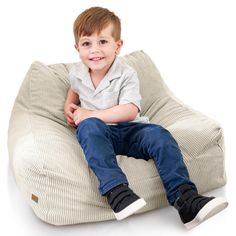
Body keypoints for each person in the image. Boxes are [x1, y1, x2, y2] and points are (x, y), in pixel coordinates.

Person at [64, 6, 228, 229]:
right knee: (88, 128)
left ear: (118, 45)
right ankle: (118, 193)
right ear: (77, 48)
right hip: (99, 134)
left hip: (129, 129)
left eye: (103, 42)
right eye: (86, 44)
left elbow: (130, 110)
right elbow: (74, 89)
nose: (95, 50)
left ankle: (185, 198)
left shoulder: (126, 73)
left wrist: (91, 113)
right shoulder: (77, 72)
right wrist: (69, 106)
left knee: (159, 134)